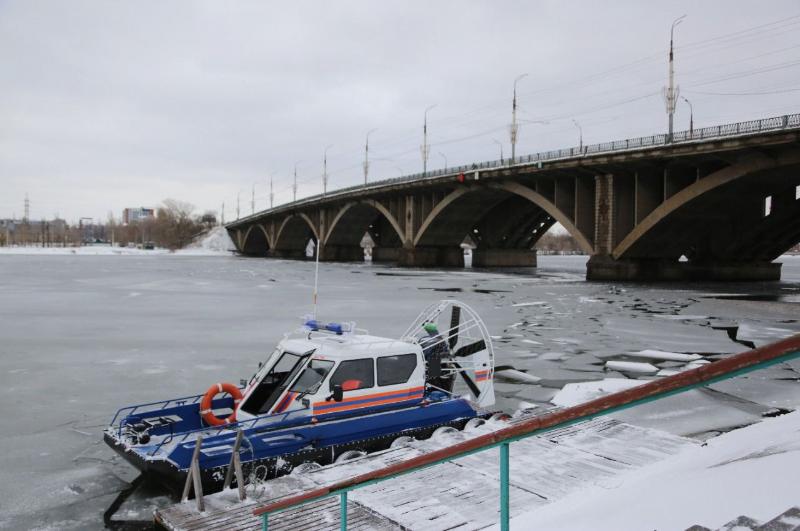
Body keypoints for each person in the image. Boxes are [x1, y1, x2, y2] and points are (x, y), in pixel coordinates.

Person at [420, 322, 455, 392]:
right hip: (434, 362)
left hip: (428, 362)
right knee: (439, 386)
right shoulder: (439, 341)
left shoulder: (423, 339)